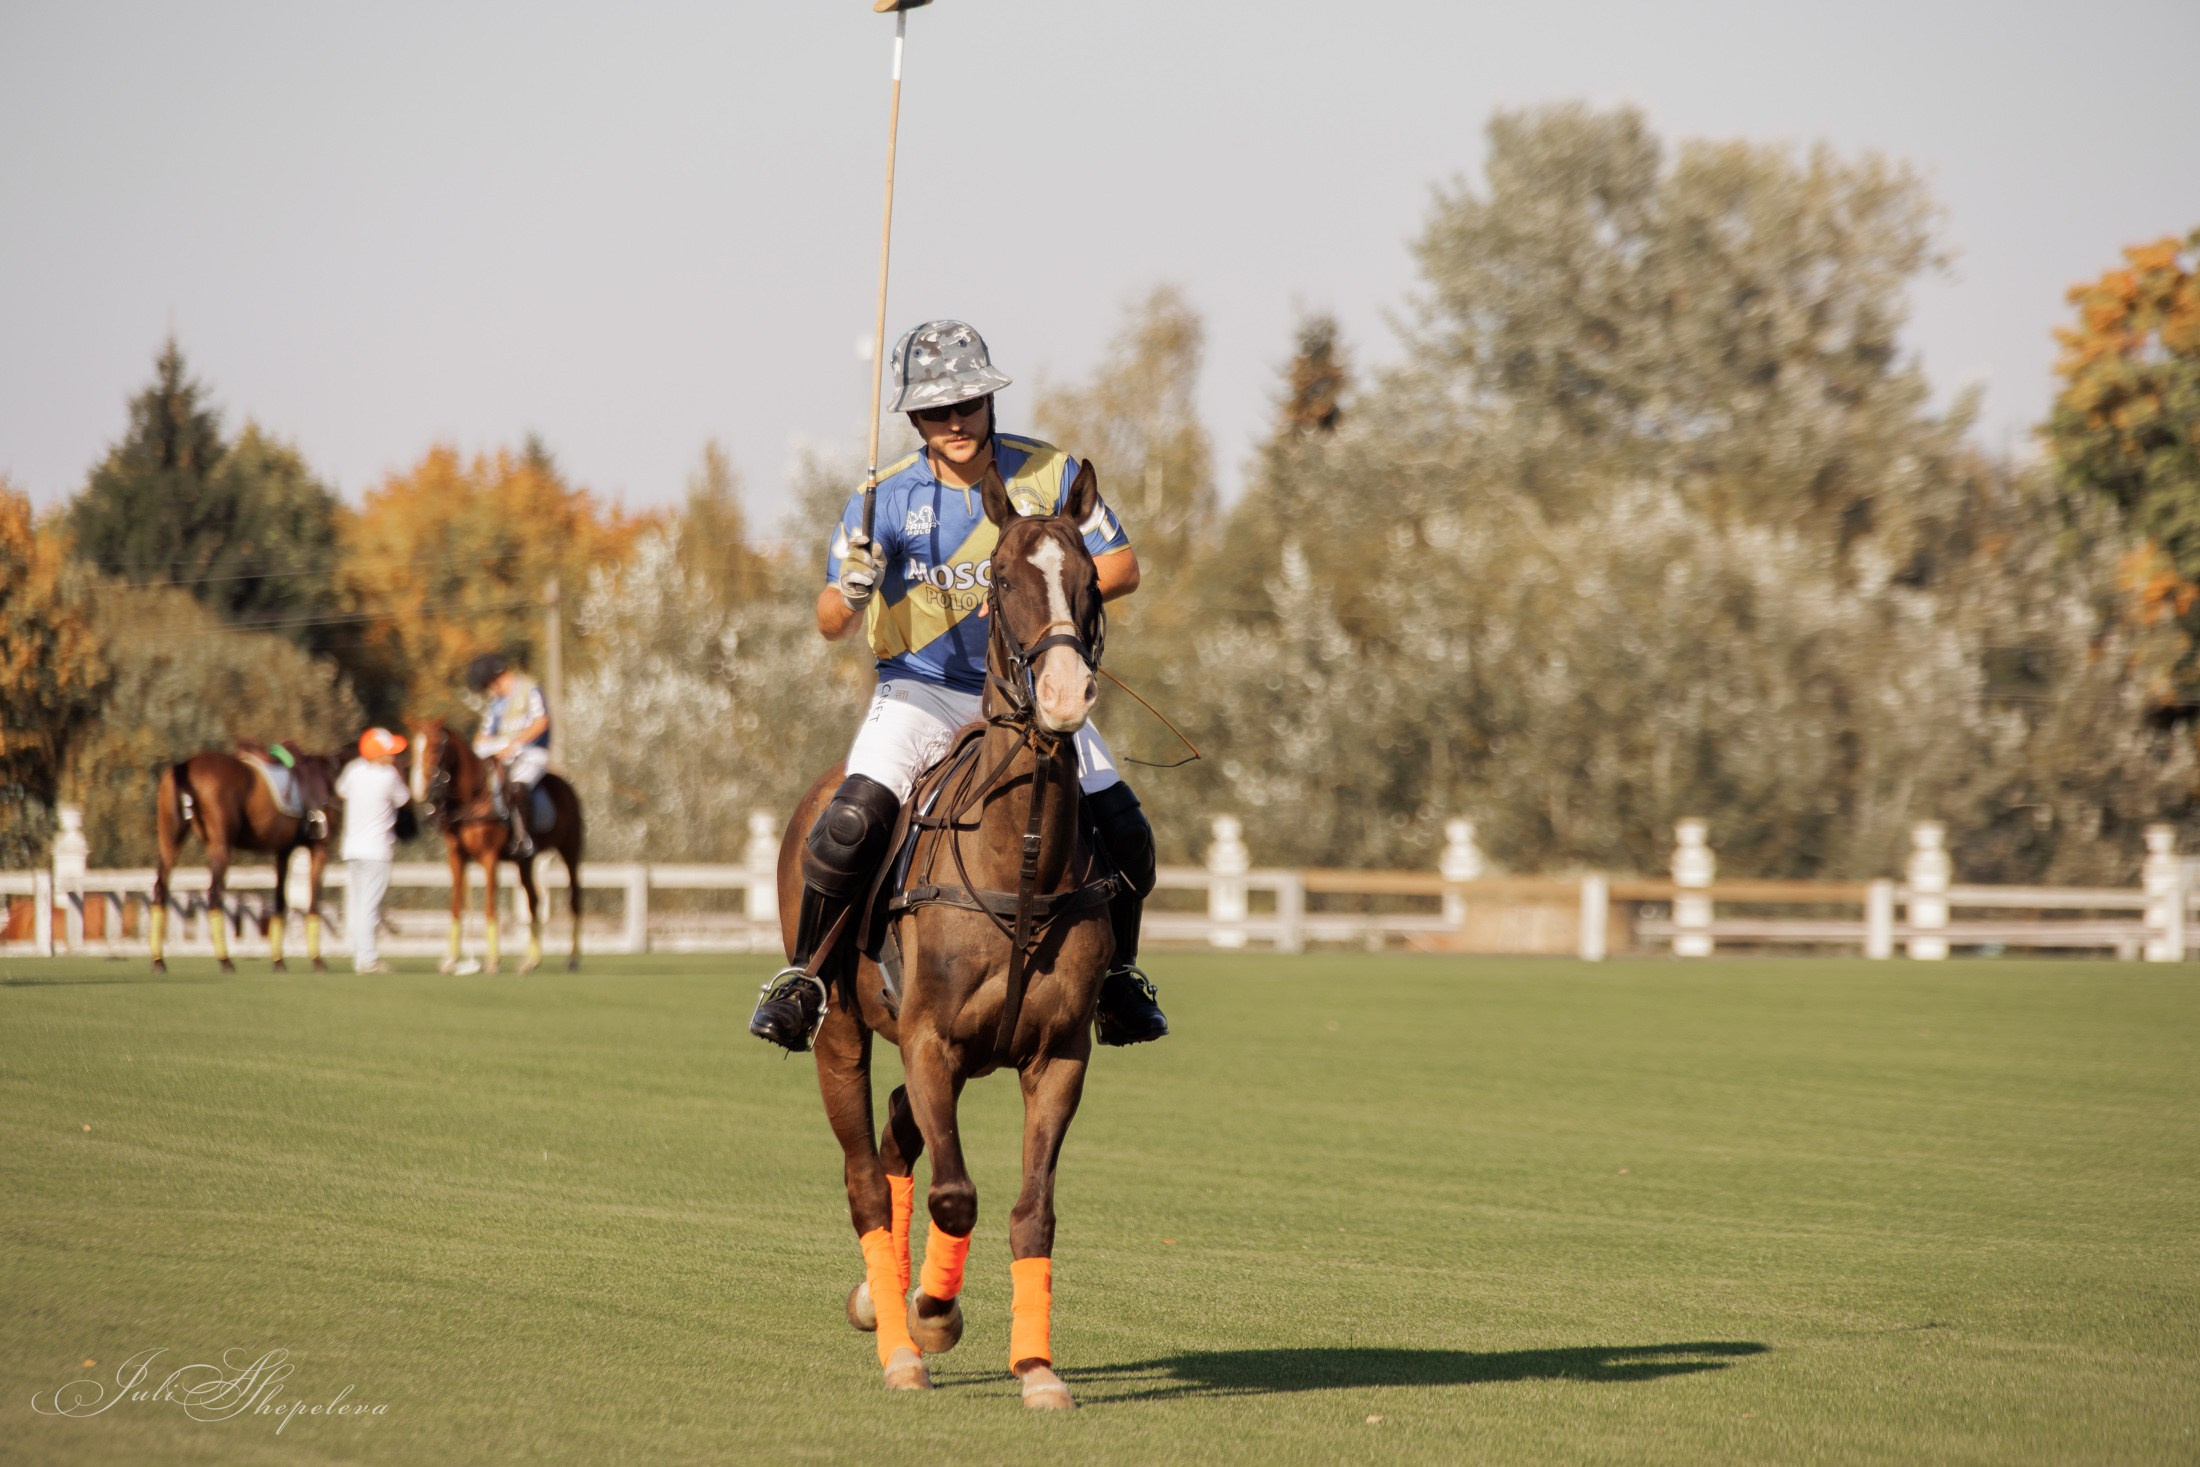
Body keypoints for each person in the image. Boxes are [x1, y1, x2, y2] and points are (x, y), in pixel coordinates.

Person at [748, 318, 1167, 1052]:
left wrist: (1044, 600)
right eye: (936, 411)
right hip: (921, 689)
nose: (954, 423)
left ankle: (1119, 980)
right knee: (848, 824)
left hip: (1033, 693)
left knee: (1126, 828)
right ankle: (805, 979)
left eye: (966, 404)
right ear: (913, 417)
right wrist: (852, 588)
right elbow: (827, 623)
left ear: (989, 402)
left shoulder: (1053, 474)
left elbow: (1123, 566)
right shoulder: (882, 498)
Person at [338, 727, 413, 974]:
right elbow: (405, 799)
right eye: (389, 752)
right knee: (368, 907)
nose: (393, 757)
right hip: (377, 850)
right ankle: (368, 960)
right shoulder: (389, 776)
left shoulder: (353, 770)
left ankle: (360, 958)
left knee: (359, 905)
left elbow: (341, 790)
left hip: (352, 849)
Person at [465, 653, 551, 860]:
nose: (488, 691)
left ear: (495, 679)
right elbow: (484, 733)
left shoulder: (529, 690)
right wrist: (480, 745)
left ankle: (523, 837)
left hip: (531, 753)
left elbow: (541, 723)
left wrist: (515, 744)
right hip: (503, 754)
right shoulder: (495, 703)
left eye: (487, 685)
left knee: (518, 786)